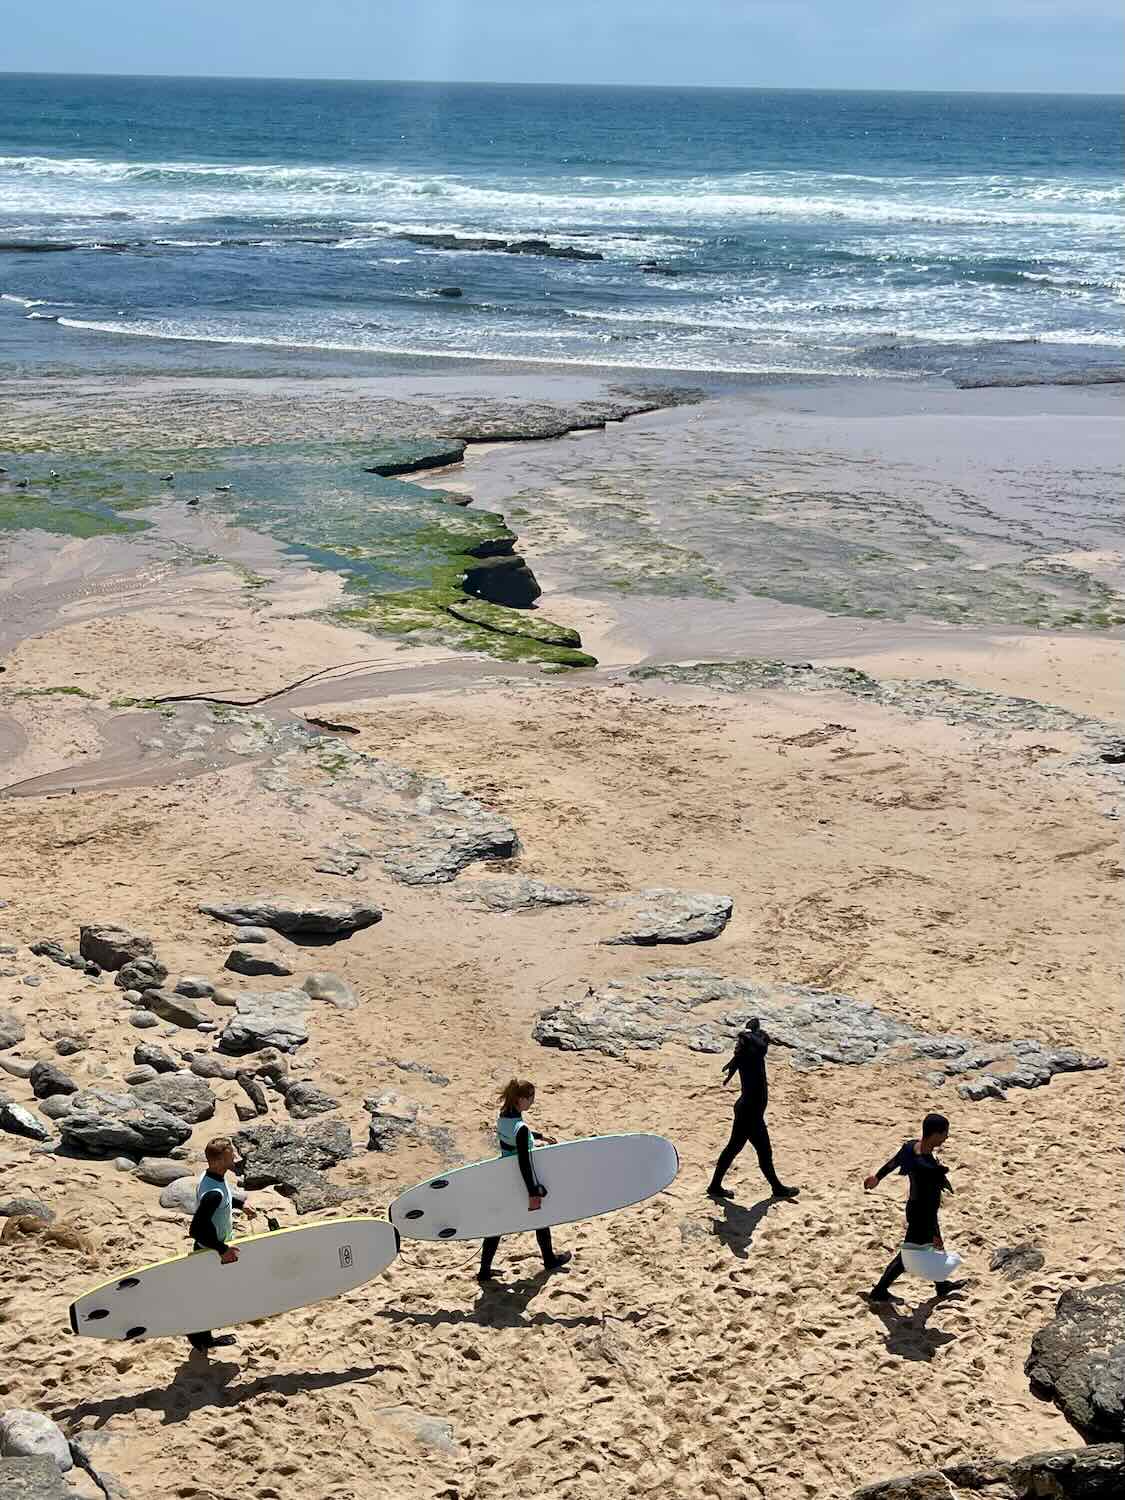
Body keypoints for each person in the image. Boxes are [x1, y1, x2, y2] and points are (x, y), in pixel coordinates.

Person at [478, 1079, 573, 1283]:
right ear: (521, 1099)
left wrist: (541, 1137)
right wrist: (533, 1191)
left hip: (504, 1177)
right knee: (541, 1218)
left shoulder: (504, 1115)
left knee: (497, 1225)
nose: (532, 1102)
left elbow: (517, 1135)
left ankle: (484, 1271)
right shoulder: (520, 1128)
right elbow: (524, 1162)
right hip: (519, 1180)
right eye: (531, 1098)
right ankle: (549, 1259)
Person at [863, 1111, 961, 1302]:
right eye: (944, 1134)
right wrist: (941, 1171)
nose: (946, 1137)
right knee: (907, 1256)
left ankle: (941, 1286)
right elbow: (937, 1177)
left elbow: (892, 1164)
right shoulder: (926, 1165)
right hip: (922, 1215)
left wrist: (877, 1178)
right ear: (934, 1134)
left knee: (937, 1245)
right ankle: (879, 1291)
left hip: (920, 1210)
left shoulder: (910, 1148)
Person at [707, 1019, 799, 1202]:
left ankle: (715, 1186)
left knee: (734, 1148)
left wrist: (752, 1030)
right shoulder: (753, 1056)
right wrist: (752, 1033)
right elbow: (761, 1043)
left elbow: (755, 1044)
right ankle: (778, 1188)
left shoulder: (745, 1056)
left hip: (747, 1110)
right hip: (751, 1114)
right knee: (764, 1152)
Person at [185, 1136, 242, 1354]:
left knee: (208, 1295)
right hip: (209, 1251)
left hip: (213, 1248)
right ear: (217, 1161)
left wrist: (239, 1205)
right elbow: (196, 1229)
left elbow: (223, 1199)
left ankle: (200, 1336)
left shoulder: (212, 1177)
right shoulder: (213, 1194)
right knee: (207, 1298)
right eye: (230, 1156)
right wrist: (222, 1249)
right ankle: (201, 1339)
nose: (234, 1159)